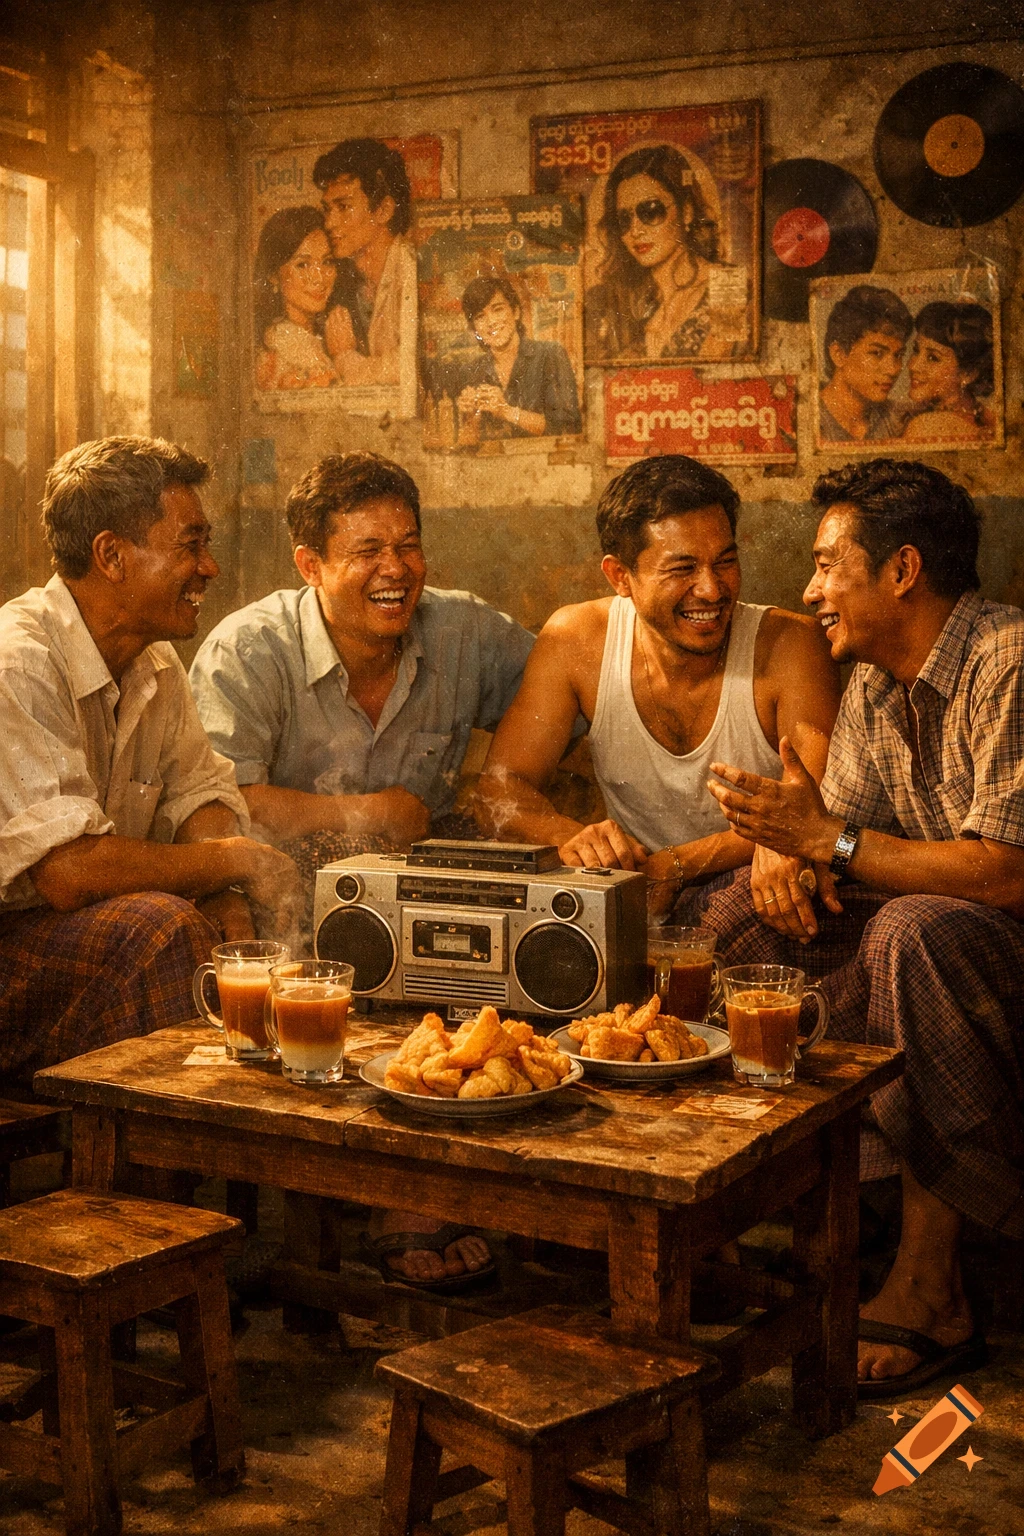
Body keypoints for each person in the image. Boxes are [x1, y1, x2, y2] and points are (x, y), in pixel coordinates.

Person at [705, 458, 1024, 1397]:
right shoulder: (881, 682)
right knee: (735, 929)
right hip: (939, 927)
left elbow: (1004, 872)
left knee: (913, 934)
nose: (808, 593)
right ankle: (787, 1230)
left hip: (991, 931)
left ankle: (934, 1285)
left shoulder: (1009, 660)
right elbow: (833, 837)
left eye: (825, 566)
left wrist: (825, 839)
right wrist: (786, 858)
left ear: (902, 571)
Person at [190, 450, 534, 1287]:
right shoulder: (248, 650)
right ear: (311, 566)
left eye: (408, 545)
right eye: (368, 552)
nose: (396, 571)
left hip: (422, 885)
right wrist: (359, 814)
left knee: (503, 923)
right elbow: (211, 799)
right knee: (307, 921)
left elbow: (573, 686)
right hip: (286, 887)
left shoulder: (467, 633)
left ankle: (449, 1191)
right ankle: (350, 1200)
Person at [0, 436, 303, 1081]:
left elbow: (201, 793)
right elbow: (69, 872)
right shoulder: (18, 662)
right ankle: (161, 1163)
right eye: (190, 545)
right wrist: (233, 860)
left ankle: (211, 1154)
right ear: (111, 554)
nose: (210, 567)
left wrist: (225, 886)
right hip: (11, 951)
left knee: (240, 936)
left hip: (70, 939)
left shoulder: (155, 661)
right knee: (161, 930)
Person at [475, 455, 840, 929]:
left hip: (754, 894)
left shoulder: (793, 645)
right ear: (619, 576)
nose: (711, 590)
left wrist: (674, 865)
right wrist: (577, 838)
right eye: (682, 569)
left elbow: (819, 812)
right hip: (639, 897)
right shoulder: (575, 640)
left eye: (725, 562)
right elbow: (496, 791)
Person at [585, 144, 736, 363]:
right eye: (624, 219)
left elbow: (720, 373)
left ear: (686, 212)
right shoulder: (629, 300)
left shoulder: (728, 285)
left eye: (651, 211)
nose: (636, 230)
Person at [313, 138, 417, 409]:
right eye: (328, 209)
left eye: (344, 207)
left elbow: (407, 370)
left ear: (383, 210)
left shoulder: (412, 272)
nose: (329, 223)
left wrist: (346, 357)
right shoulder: (349, 283)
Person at [451, 276, 581, 441]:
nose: (491, 322)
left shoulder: (550, 355)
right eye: (480, 317)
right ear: (474, 328)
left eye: (497, 309)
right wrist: (470, 415)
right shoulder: (470, 371)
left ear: (516, 312)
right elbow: (472, 442)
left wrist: (506, 411)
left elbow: (568, 429)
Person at [254, 206, 338, 391]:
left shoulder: (320, 338)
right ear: (273, 275)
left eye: (327, 262)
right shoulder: (286, 341)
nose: (319, 278)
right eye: (303, 265)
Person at [817, 284, 913, 443]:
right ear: (839, 354)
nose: (893, 369)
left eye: (898, 355)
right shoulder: (805, 417)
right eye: (877, 353)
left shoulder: (900, 420)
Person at [901, 300, 996, 444]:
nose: (913, 365)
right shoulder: (985, 417)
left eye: (933, 358)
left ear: (968, 374)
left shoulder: (925, 426)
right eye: (916, 350)